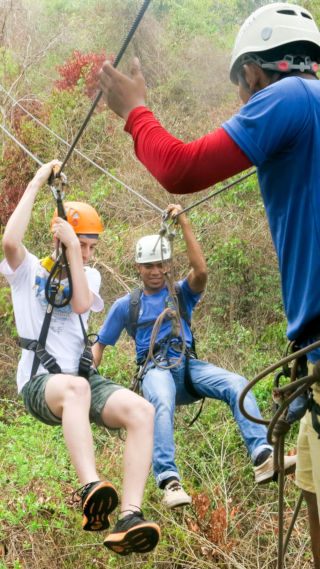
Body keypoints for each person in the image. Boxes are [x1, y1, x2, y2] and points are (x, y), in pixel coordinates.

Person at [97, 1, 320, 564]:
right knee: (163, 401)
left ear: (252, 73)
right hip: (172, 370)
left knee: (228, 385)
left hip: (297, 344)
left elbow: (181, 169)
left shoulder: (288, 97)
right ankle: (174, 477)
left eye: (244, 92)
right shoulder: (129, 302)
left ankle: (243, 457)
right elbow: (104, 337)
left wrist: (135, 112)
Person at [0, 160, 160, 557]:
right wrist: (38, 181)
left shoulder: (89, 274)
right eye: (82, 244)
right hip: (42, 383)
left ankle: (128, 517)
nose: (88, 253)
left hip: (82, 380)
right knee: (74, 389)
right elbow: (8, 242)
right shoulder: (28, 271)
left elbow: (81, 303)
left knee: (141, 411)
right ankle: (91, 486)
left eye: (91, 246)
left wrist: (73, 249)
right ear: (60, 236)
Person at [93, 203, 296, 509]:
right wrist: (87, 385)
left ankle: (263, 456)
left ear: (168, 265)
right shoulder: (126, 305)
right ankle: (169, 481)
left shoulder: (180, 293)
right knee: (160, 401)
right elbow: (100, 346)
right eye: (149, 266)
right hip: (155, 369)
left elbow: (200, 270)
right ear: (138, 268)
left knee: (236, 383)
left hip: (188, 367)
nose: (155, 271)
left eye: (161, 264)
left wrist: (184, 223)